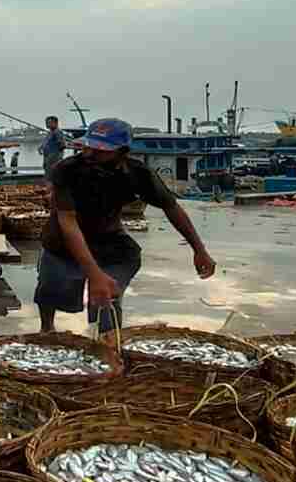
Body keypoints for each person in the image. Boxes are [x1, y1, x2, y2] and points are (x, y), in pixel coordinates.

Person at [36, 118, 216, 334]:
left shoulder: (138, 173)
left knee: (105, 298)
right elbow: (68, 223)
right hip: (63, 240)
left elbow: (172, 208)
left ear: (122, 152)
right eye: (88, 146)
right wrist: (94, 273)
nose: (90, 154)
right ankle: (47, 330)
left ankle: (109, 344)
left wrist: (199, 250)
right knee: (51, 290)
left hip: (110, 242)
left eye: (101, 150)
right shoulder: (66, 169)